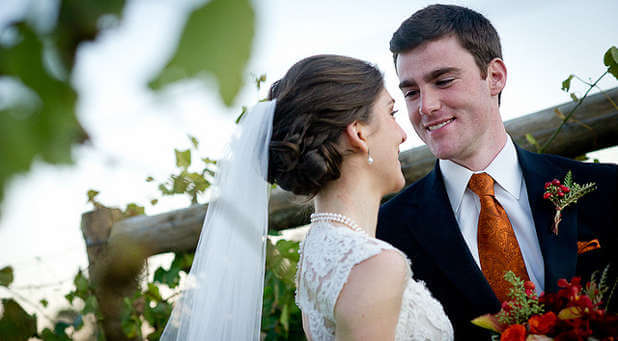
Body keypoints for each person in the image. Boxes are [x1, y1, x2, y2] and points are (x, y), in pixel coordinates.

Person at [160, 55, 453, 340]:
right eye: (391, 113)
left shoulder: (318, 256)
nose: (402, 134)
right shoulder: (372, 264)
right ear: (359, 134)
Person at [377, 4, 617, 340]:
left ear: (495, 77)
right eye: (411, 92)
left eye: (443, 80)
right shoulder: (385, 233)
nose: (425, 106)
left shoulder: (606, 189)